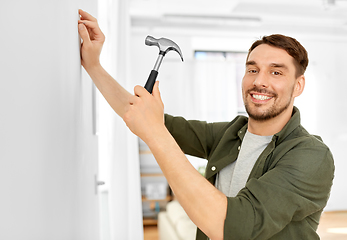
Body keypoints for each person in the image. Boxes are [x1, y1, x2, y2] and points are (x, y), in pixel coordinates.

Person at [78, 9, 334, 240]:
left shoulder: (311, 155)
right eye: (252, 69)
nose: (260, 81)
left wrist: (155, 134)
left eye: (276, 72)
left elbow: (231, 225)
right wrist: (93, 65)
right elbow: (140, 115)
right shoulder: (232, 133)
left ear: (297, 85)